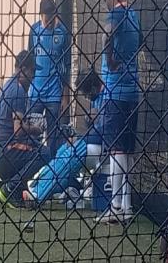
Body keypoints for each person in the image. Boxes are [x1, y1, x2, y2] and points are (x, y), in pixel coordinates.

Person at [94, 0, 142, 223]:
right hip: (132, 91)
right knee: (127, 150)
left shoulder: (117, 13)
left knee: (116, 149)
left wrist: (111, 60)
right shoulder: (134, 15)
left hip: (116, 92)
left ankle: (115, 206)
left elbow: (106, 36)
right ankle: (126, 205)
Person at [23, 68, 107, 204]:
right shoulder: (96, 98)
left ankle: (39, 195)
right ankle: (37, 188)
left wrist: (94, 123)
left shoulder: (107, 96)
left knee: (70, 156)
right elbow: (94, 128)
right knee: (63, 151)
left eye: (85, 93)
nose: (85, 97)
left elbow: (105, 130)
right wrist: (88, 121)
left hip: (103, 145)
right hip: (93, 141)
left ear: (92, 87)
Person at [0, 50, 50, 208]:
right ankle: (11, 187)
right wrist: (35, 129)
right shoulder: (18, 91)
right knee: (44, 153)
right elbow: (18, 130)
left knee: (33, 145)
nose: (34, 76)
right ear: (23, 69)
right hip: (5, 152)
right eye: (33, 71)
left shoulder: (8, 84)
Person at [28, 0, 72, 157]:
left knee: (54, 138)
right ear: (41, 15)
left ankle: (52, 175)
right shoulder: (34, 31)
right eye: (46, 20)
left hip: (54, 94)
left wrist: (65, 96)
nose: (49, 23)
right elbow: (29, 62)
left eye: (52, 19)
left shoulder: (63, 33)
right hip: (35, 94)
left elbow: (67, 66)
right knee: (33, 137)